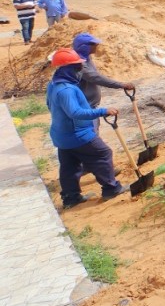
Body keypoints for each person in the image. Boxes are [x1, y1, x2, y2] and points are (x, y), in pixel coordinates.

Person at [46, 48, 125, 209]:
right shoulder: (67, 90)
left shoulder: (53, 84)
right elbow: (75, 112)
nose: (80, 70)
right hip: (78, 135)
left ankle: (71, 198)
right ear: (67, 69)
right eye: (77, 67)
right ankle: (111, 188)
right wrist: (103, 111)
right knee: (103, 153)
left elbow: (49, 105)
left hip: (61, 135)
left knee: (70, 165)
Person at [71, 32, 134, 110]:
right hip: (84, 108)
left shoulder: (87, 58)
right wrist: (120, 85)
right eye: (93, 45)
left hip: (90, 106)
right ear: (85, 47)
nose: (96, 46)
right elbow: (95, 77)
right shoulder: (78, 63)